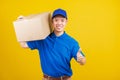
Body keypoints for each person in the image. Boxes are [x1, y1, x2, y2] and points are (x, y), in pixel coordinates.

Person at [19, 8, 86, 80]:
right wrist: (21, 26)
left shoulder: (72, 42)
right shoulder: (43, 39)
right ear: (52, 22)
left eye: (62, 20)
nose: (59, 23)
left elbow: (83, 60)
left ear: (66, 22)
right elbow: (23, 45)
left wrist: (81, 60)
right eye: (56, 20)